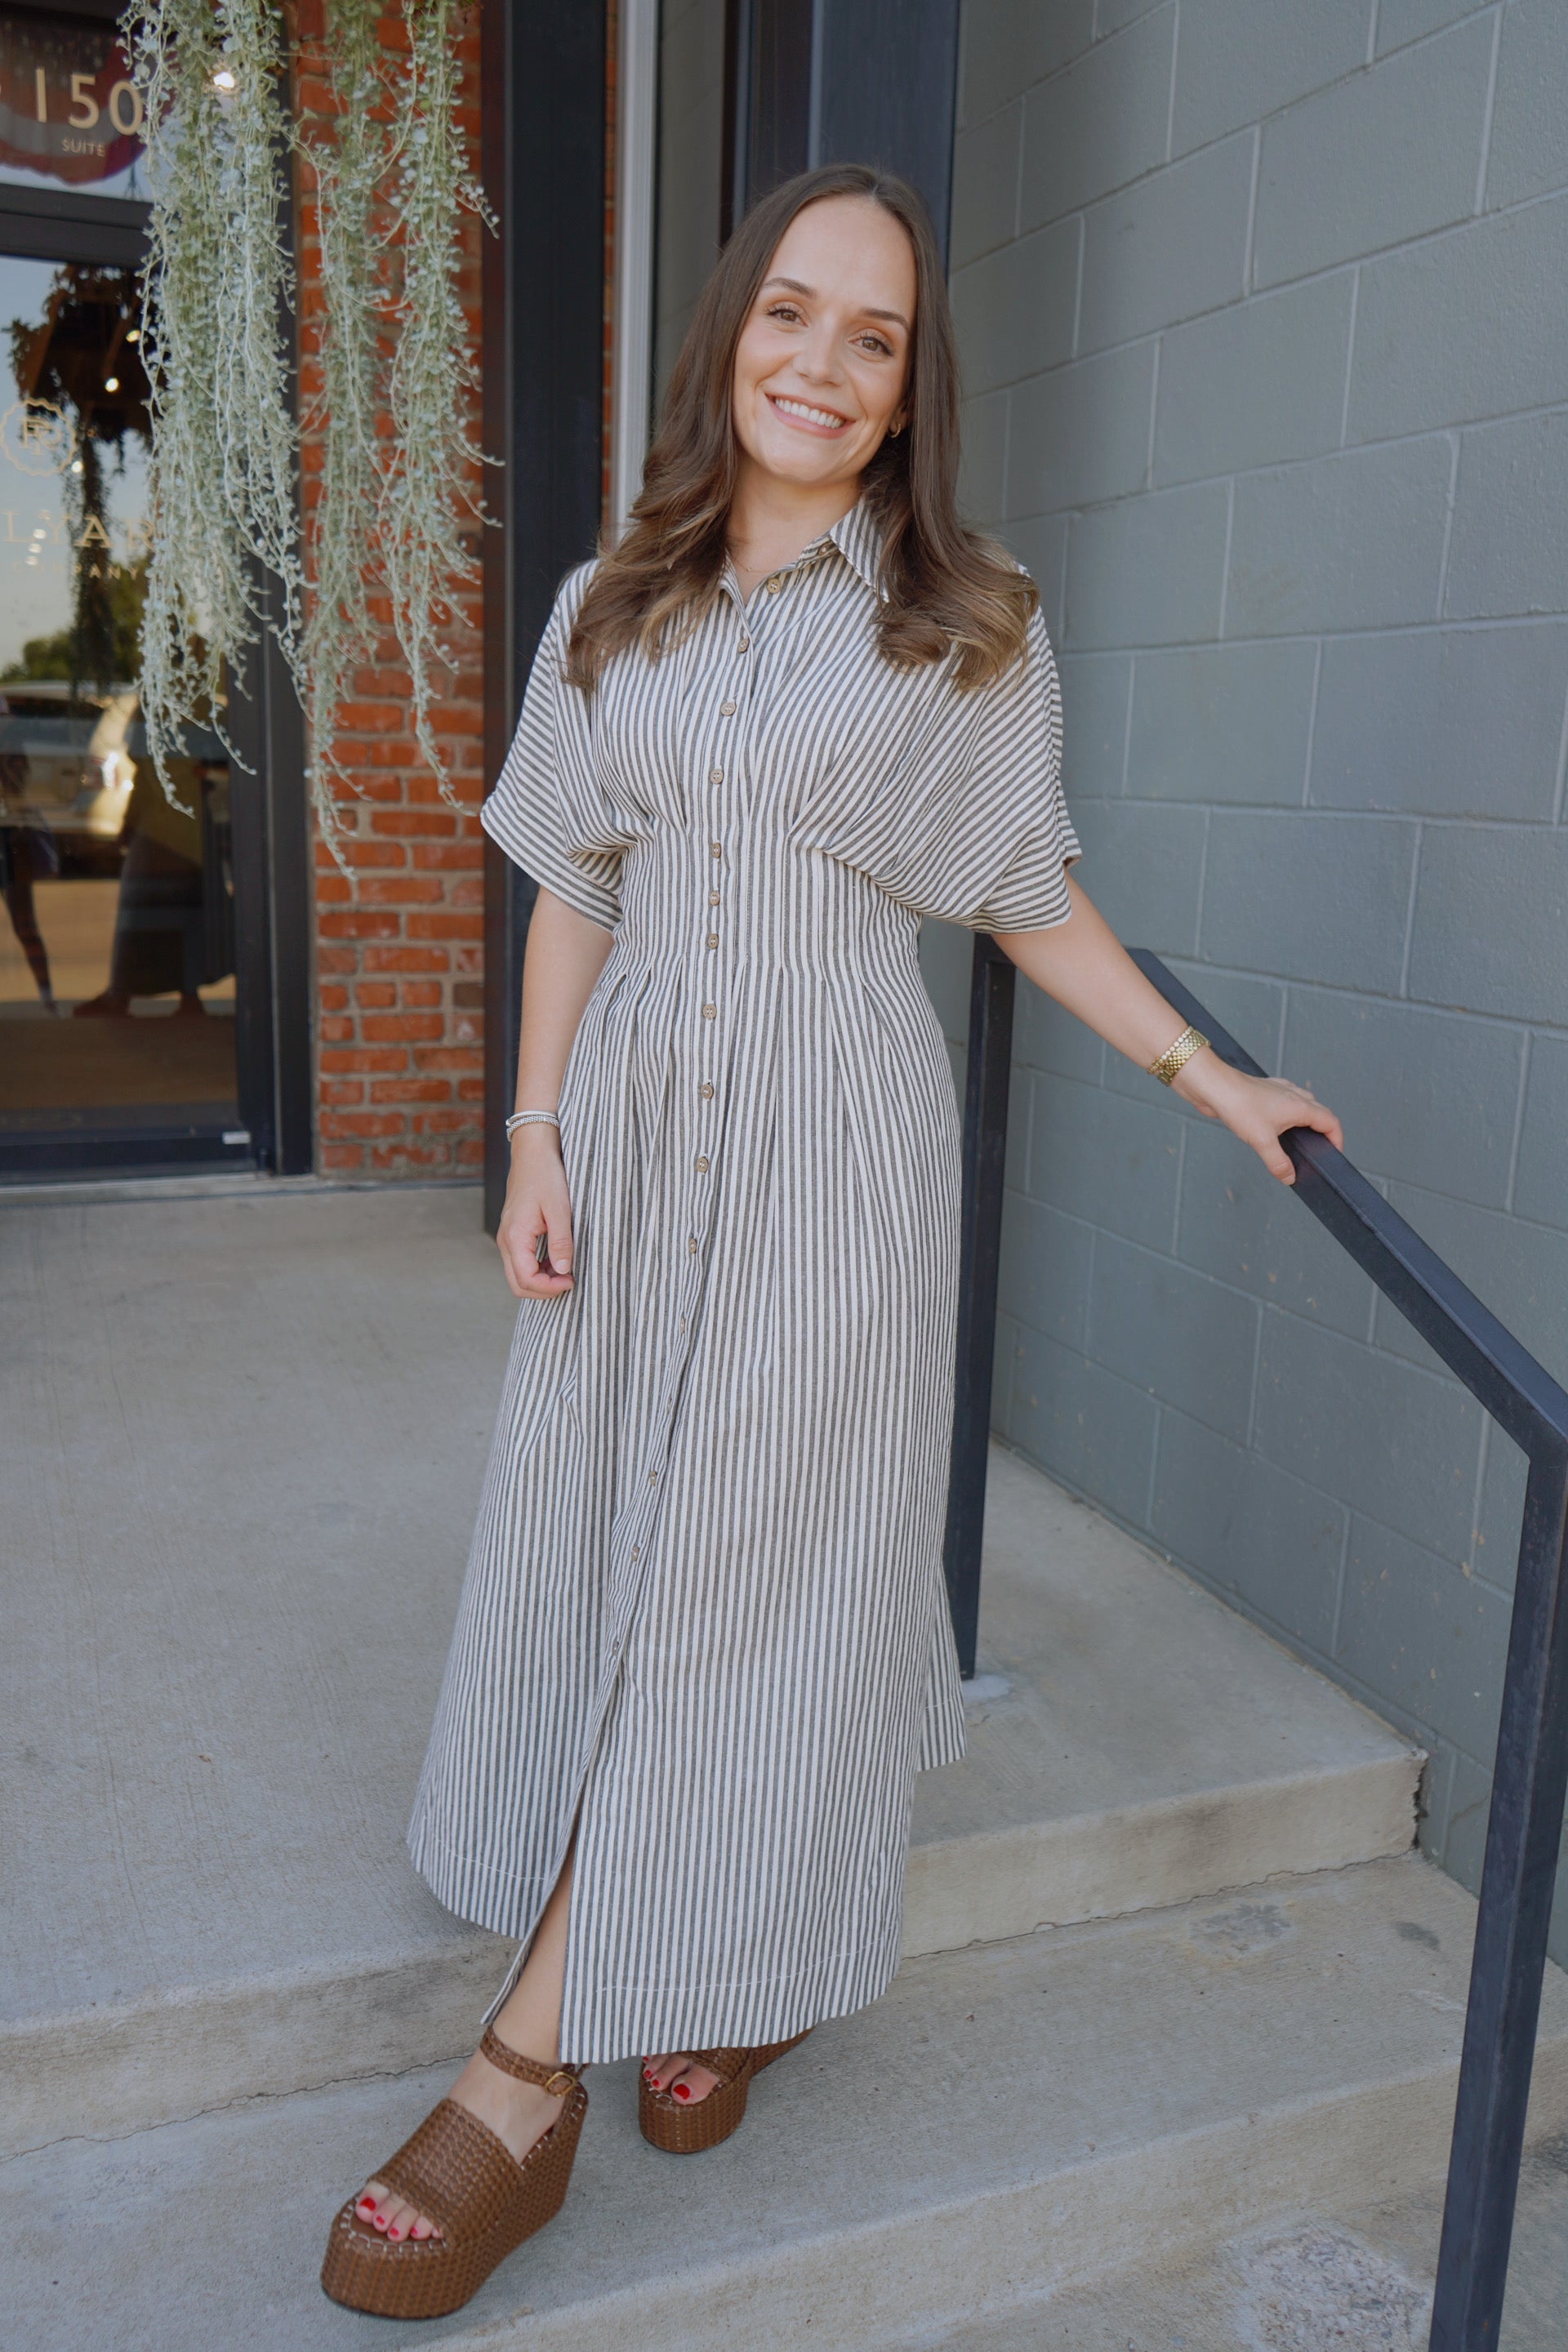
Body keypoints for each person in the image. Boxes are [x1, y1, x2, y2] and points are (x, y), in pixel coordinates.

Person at [321, 162, 1343, 2321]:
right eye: (793, 314)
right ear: (732, 337)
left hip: (838, 1154)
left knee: (739, 1571)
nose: (821, 361)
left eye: (872, 338)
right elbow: (576, 880)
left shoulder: (962, 615)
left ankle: (526, 2076)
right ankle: (736, 1964)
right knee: (639, 1538)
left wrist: (1210, 1081)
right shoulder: (615, 594)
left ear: (907, 391)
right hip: (635, 1136)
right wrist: (529, 1138)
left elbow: (1027, 891)